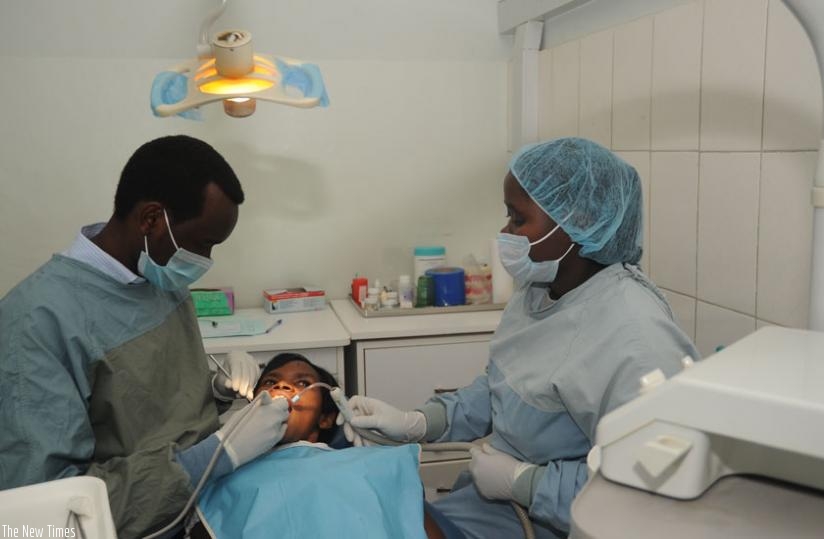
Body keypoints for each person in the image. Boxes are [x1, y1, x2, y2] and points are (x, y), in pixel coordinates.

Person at [339, 137, 700, 538]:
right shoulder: (542, 289)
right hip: (493, 507)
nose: (504, 231)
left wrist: (526, 483)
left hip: (563, 521)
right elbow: (506, 389)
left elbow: (652, 488)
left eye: (517, 218)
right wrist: (420, 422)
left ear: (577, 222)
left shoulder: (635, 338)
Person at [0, 135, 289, 538]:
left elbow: (144, 400)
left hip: (208, 502)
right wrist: (210, 457)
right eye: (203, 243)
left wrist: (215, 391)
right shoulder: (37, 321)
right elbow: (43, 519)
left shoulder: (158, 275)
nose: (205, 260)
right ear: (151, 219)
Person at [193, 353, 458, 539]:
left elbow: (418, 526)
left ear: (326, 417)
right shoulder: (220, 469)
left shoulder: (377, 464)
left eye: (302, 383)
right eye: (271, 382)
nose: (283, 385)